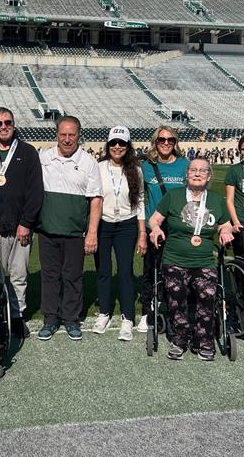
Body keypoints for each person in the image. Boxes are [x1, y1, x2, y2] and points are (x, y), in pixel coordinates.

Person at [148, 158, 233, 361]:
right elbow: (154, 219)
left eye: (202, 170)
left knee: (208, 295)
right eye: (193, 170)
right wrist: (156, 229)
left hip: (204, 261)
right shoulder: (174, 196)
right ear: (186, 174)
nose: (197, 173)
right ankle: (180, 337)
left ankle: (204, 340)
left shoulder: (216, 199)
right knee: (176, 297)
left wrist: (225, 231)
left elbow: (225, 224)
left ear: (209, 176)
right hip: (174, 258)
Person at [37, 116, 103, 341]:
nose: (67, 139)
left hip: (75, 232)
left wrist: (92, 232)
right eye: (63, 134)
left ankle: (71, 319)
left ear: (79, 135)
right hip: (47, 230)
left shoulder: (88, 162)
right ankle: (50, 319)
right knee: (50, 276)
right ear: (56, 134)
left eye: (71, 135)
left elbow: (96, 199)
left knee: (73, 277)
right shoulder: (43, 158)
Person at [0, 107, 43, 339]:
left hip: (20, 227)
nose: (3, 126)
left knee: (19, 274)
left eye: (7, 122)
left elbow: (35, 190)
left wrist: (26, 222)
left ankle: (17, 316)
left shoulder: (28, 152)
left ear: (14, 124)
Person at [92, 126, 146, 341]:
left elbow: (140, 200)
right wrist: (92, 230)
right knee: (103, 270)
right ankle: (104, 312)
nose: (117, 147)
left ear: (128, 146)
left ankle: (127, 317)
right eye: (113, 142)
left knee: (125, 271)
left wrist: (142, 232)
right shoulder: (98, 167)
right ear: (108, 145)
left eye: (121, 143)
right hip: (103, 224)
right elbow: (93, 198)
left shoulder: (136, 170)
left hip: (127, 224)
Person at [138, 126, 189, 332]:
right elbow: (140, 199)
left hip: (179, 226)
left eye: (170, 139)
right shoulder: (146, 166)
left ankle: (172, 307)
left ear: (175, 142)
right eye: (162, 139)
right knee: (151, 269)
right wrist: (143, 230)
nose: (166, 143)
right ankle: (147, 311)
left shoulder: (186, 165)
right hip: (155, 227)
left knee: (177, 271)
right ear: (155, 142)